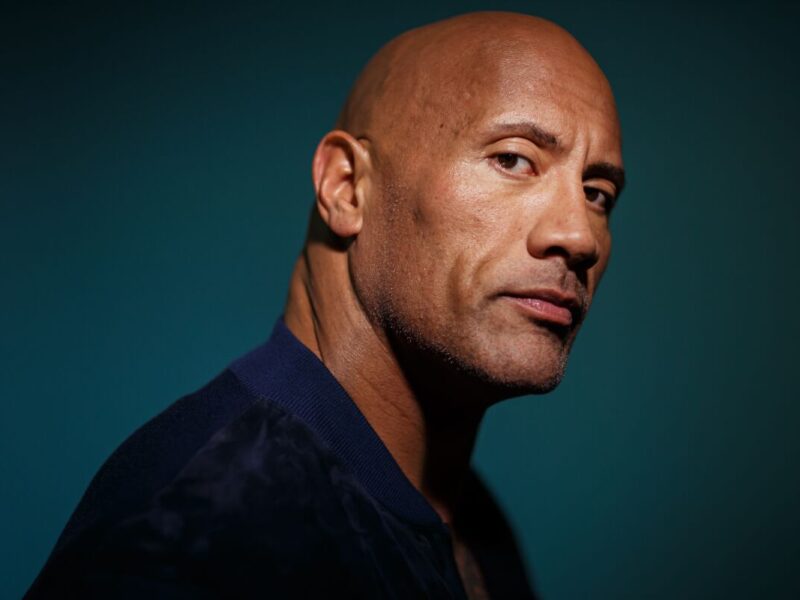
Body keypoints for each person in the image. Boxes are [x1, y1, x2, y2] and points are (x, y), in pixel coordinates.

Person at [26, 10, 624, 599]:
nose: (579, 236)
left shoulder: (470, 518)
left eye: (597, 193)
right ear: (346, 188)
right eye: (512, 159)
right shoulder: (201, 535)